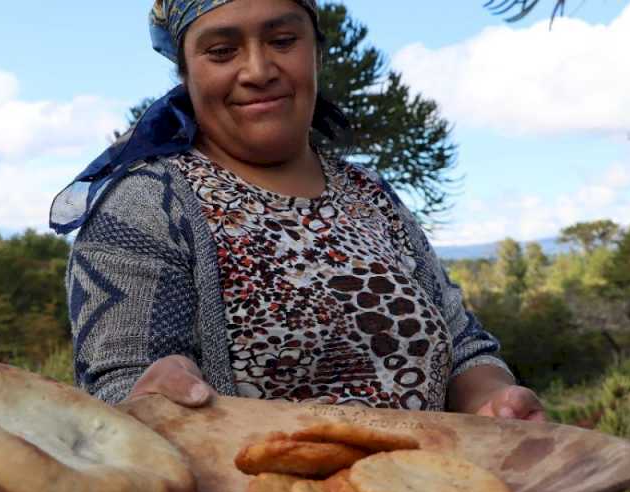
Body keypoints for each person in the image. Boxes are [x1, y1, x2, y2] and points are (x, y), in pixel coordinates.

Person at [51, 0, 545, 422]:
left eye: (283, 40)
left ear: (316, 52)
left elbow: (463, 348)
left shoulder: (371, 195)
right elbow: (120, 388)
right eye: (222, 51)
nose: (259, 70)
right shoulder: (145, 205)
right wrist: (150, 396)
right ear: (186, 72)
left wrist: (494, 400)